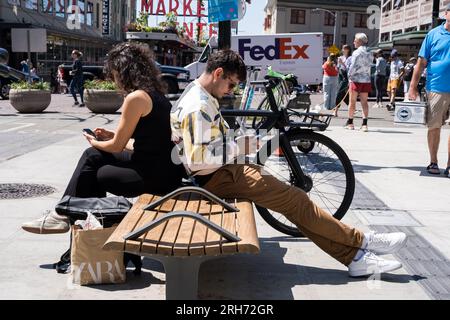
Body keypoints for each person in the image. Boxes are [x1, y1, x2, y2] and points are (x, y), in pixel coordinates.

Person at [171, 50, 407, 278]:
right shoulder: (198, 105)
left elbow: (203, 148)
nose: (230, 91)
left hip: (222, 173)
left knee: (296, 205)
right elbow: (198, 160)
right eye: (231, 84)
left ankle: (356, 257)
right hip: (214, 179)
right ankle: (361, 242)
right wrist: (238, 147)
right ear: (218, 73)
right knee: (296, 201)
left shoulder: (198, 93)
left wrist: (237, 144)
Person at [22, 42, 184, 234]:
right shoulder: (155, 95)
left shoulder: (136, 98)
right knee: (92, 157)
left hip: (154, 177)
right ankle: (73, 222)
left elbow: (116, 147)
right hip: (165, 170)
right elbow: (147, 142)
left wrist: (95, 141)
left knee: (95, 172)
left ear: (124, 72)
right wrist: (112, 136)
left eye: (115, 74)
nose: (115, 80)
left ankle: (75, 223)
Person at [408, 3, 450, 178]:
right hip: (436, 87)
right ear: (447, 14)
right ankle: (433, 161)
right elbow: (421, 63)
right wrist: (412, 87)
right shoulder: (433, 34)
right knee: (434, 126)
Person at [345, 33, 373, 132]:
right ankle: (364, 124)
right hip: (366, 79)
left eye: (355, 40)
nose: (354, 42)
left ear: (360, 41)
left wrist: (349, 74)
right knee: (364, 102)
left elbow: (353, 66)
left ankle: (350, 122)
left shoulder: (356, 52)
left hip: (356, 80)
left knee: (352, 102)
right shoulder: (370, 52)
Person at [334, 44, 352, 117]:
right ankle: (351, 108)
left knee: (339, 93)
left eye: (344, 49)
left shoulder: (350, 58)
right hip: (340, 76)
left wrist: (342, 63)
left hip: (346, 76)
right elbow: (338, 68)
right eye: (342, 49)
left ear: (348, 50)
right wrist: (336, 65)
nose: (342, 50)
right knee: (344, 95)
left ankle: (335, 111)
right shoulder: (341, 57)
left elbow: (349, 69)